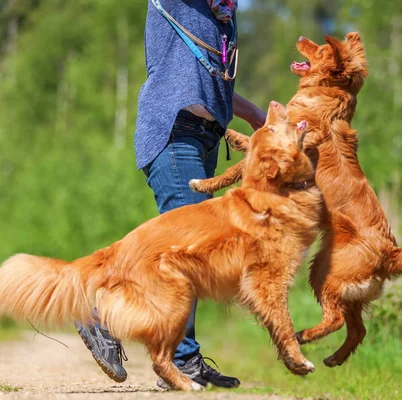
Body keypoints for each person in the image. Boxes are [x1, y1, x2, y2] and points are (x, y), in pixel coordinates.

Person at [75, 0, 265, 390]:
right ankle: (116, 322)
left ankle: (177, 353)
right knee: (191, 249)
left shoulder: (223, 13)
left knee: (183, 250)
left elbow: (209, 79)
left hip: (206, 140)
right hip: (174, 133)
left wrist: (255, 115)